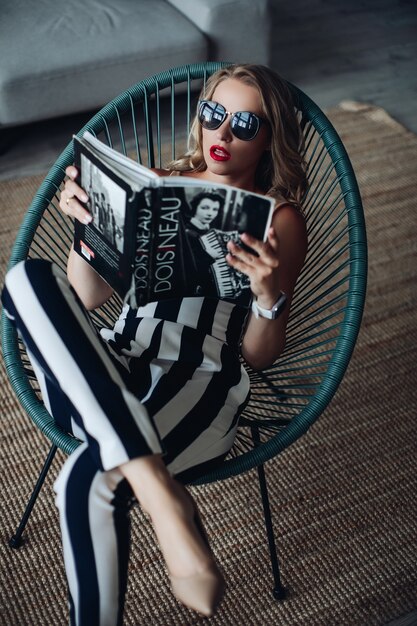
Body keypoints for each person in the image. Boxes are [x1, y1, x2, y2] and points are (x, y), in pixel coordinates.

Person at [1, 64, 308, 625]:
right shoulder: (156, 183)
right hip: (115, 358)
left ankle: (144, 480)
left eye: (245, 124)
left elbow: (261, 356)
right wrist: (88, 228)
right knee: (26, 280)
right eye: (213, 115)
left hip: (199, 376)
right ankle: (163, 495)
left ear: (270, 139)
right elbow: (87, 296)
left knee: (89, 473)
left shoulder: (278, 218)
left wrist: (266, 294)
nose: (222, 135)